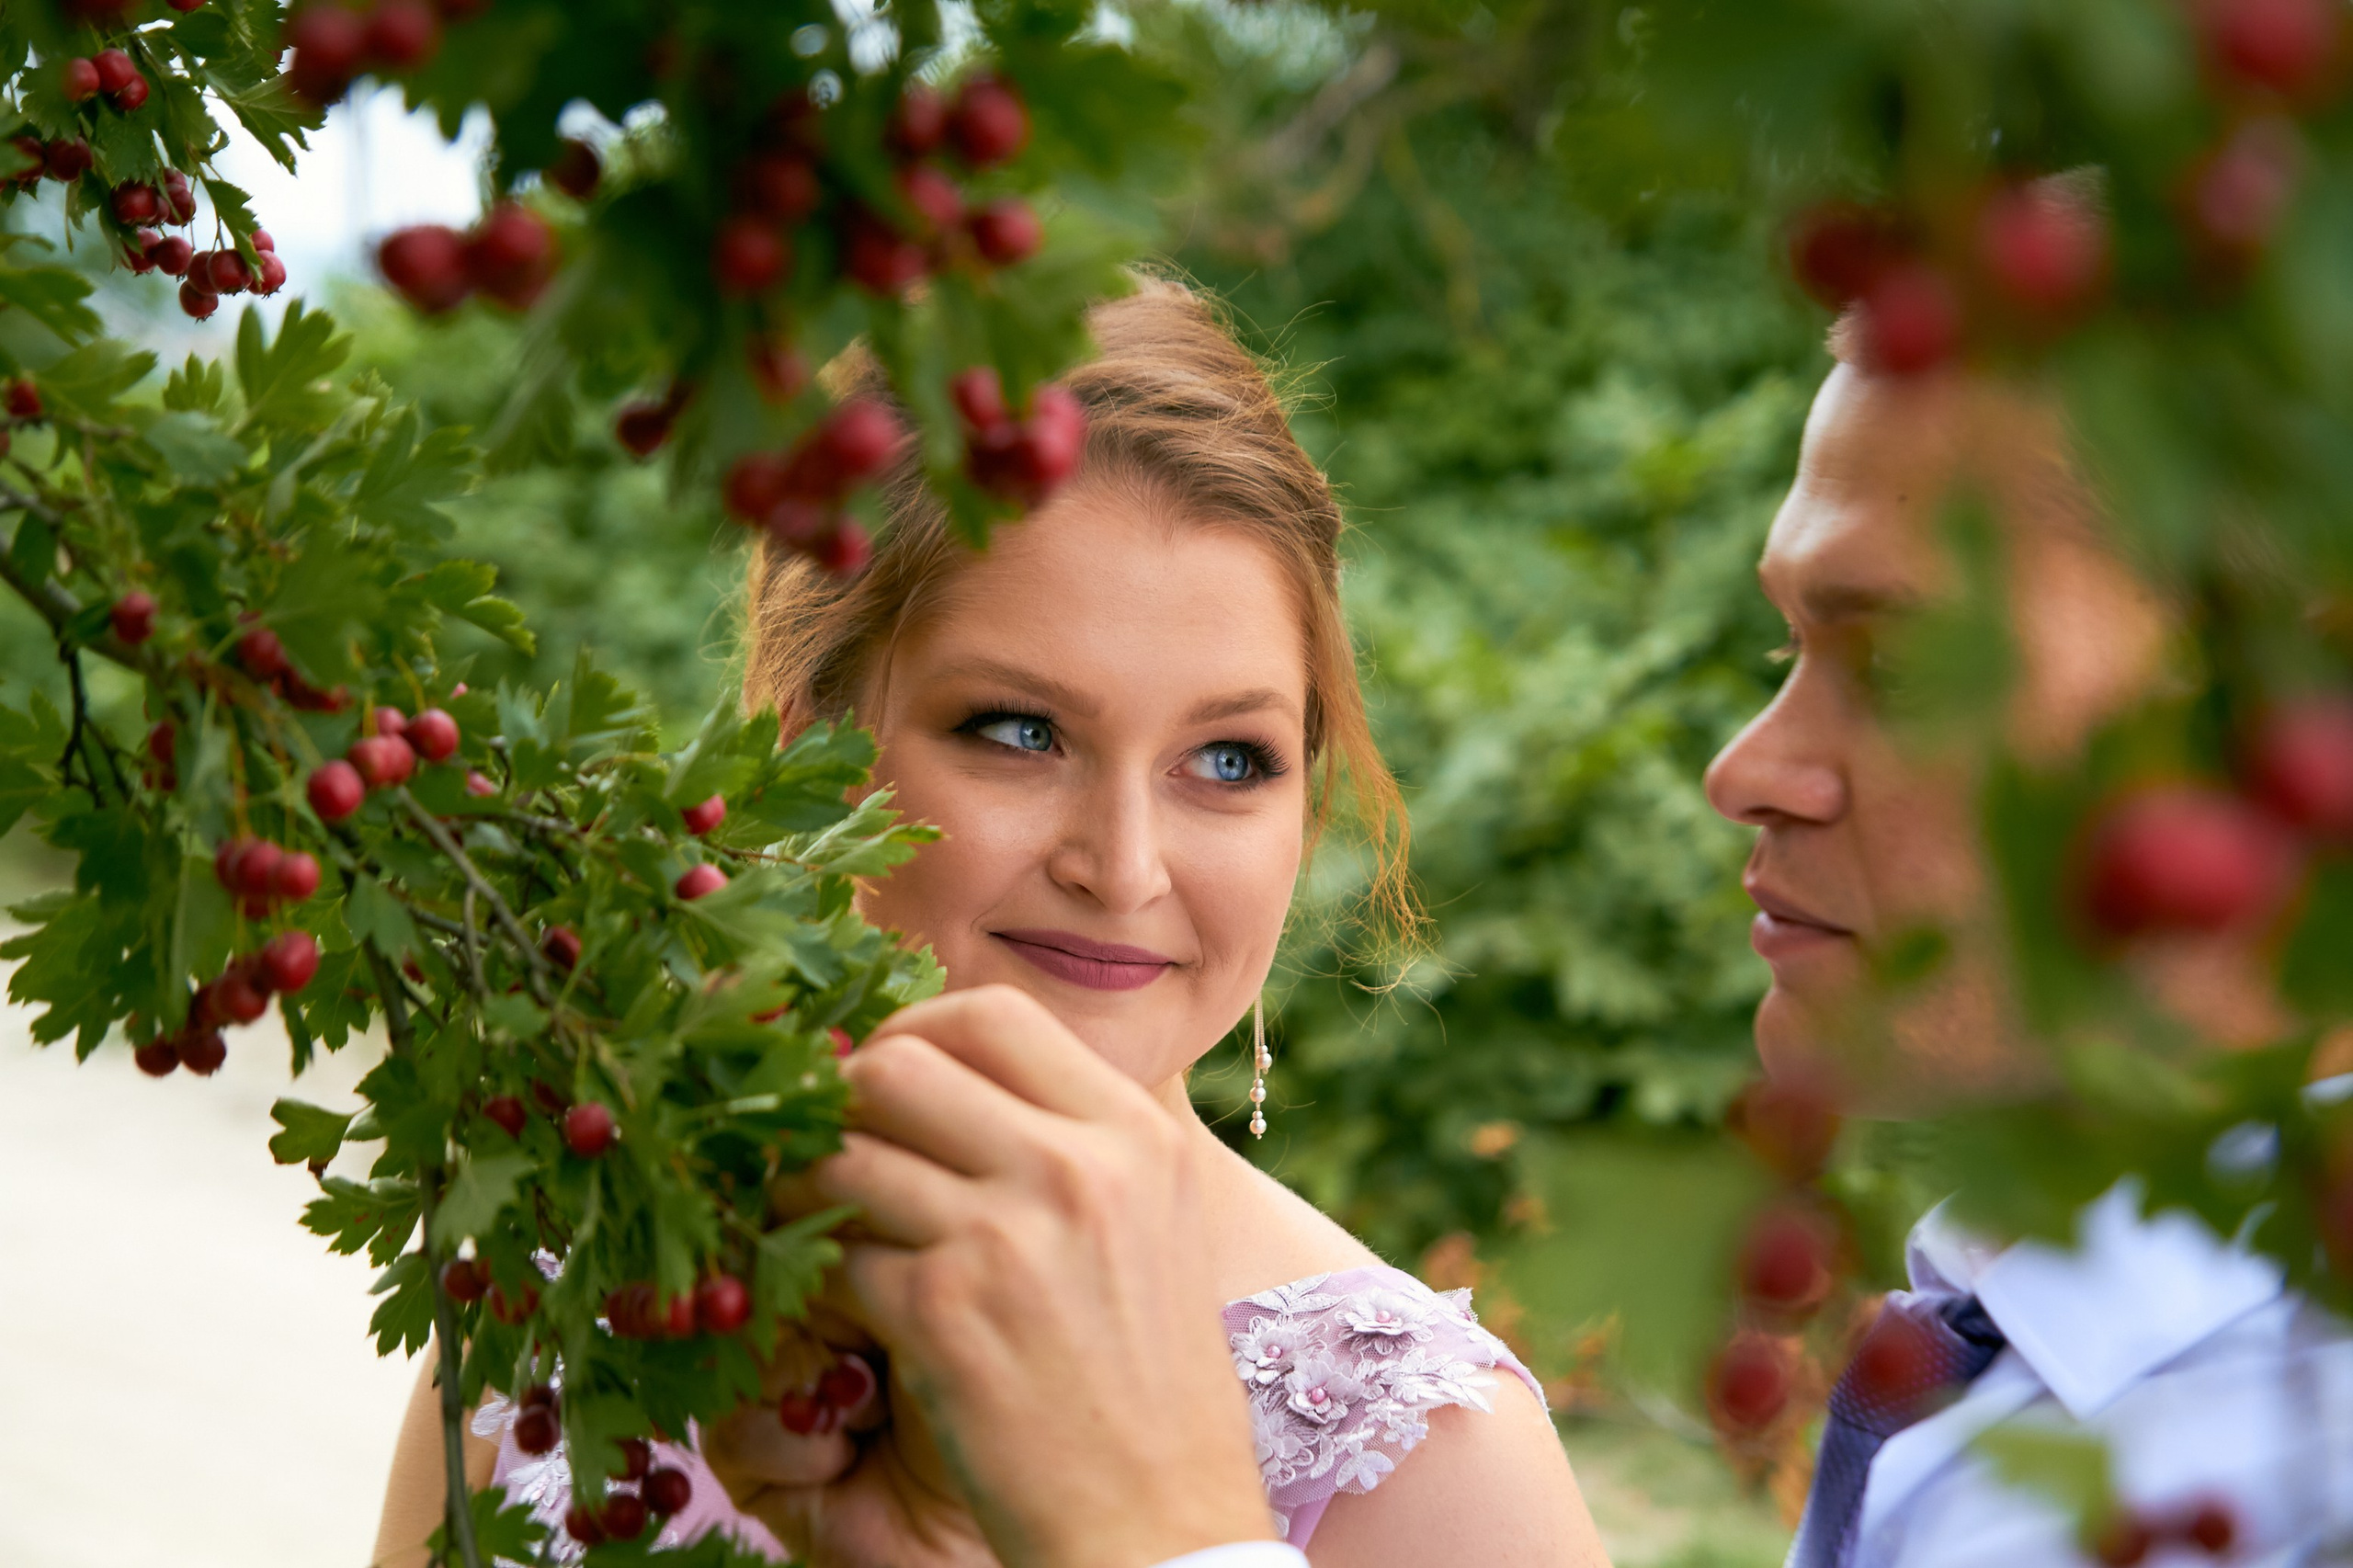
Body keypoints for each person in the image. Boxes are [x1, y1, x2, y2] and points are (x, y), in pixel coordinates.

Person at [767, 288, 2353, 1568]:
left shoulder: (1401, 1429)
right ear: (803, 729)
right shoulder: (1996, 1382)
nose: (1744, 769)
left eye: (1903, 662)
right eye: (1018, 731)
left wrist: (1156, 1538)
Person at [373, 278, 1604, 1567]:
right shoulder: (578, 1285)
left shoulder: (1431, 1465)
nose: (1124, 867)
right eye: (1021, 732)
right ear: (811, 742)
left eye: (1229, 759)